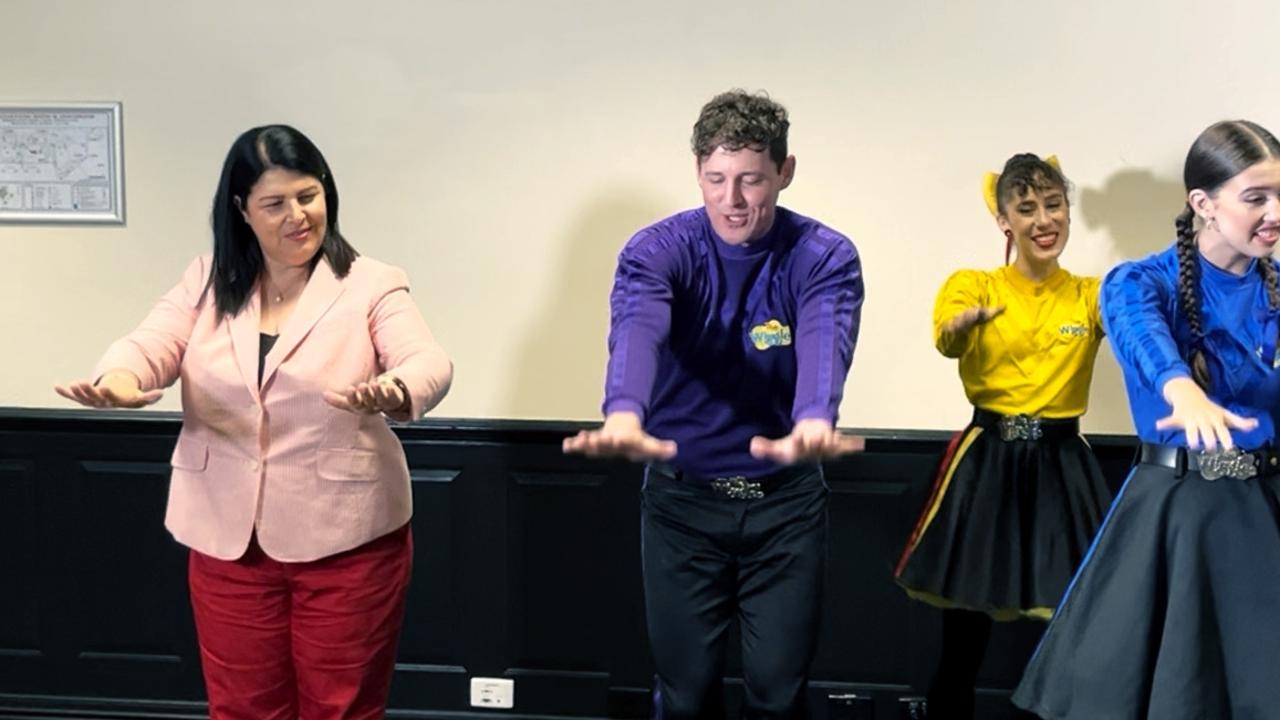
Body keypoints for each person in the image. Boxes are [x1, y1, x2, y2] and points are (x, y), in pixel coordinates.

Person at [55, 124, 453, 719]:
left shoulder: (371, 283)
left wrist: (395, 390)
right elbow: (150, 343)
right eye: (275, 203)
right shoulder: (208, 281)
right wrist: (119, 379)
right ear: (242, 210)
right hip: (227, 543)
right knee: (244, 709)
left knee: (339, 709)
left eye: (308, 196)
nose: (297, 216)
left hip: (347, 542)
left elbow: (428, 361)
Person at [563, 89, 864, 718]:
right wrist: (623, 411)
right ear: (698, 173)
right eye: (715, 179)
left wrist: (814, 419)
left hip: (786, 509)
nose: (732, 200)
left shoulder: (823, 256)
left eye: (751, 180)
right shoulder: (657, 250)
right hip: (682, 508)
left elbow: (823, 334)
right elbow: (637, 325)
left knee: (778, 694)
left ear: (785, 172)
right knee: (685, 694)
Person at [1013, 120, 1280, 719]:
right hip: (1179, 512)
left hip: (1265, 510)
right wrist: (1180, 387)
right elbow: (1139, 335)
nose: (1275, 213)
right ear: (1203, 204)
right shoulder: (1140, 281)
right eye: (1257, 198)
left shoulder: (1278, 291)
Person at [893, 154, 1112, 720]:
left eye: (1054, 204)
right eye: (1027, 207)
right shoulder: (974, 284)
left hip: (1065, 464)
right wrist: (961, 328)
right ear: (1004, 221)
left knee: (1073, 627)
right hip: (986, 462)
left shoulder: (1090, 294)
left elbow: (1132, 324)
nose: (1044, 219)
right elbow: (947, 337)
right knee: (962, 638)